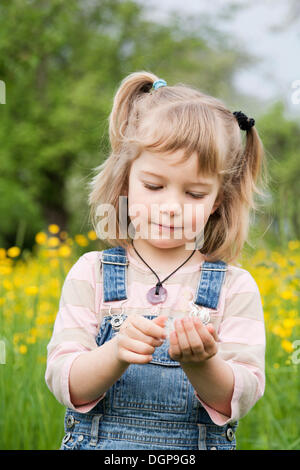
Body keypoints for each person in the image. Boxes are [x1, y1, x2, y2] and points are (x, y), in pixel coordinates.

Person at [45, 71, 268, 450]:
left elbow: (240, 397)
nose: (171, 207)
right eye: (153, 186)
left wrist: (202, 364)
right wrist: (115, 351)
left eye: (194, 193)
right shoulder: (92, 273)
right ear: (126, 179)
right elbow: (65, 381)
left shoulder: (235, 286)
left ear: (217, 201)